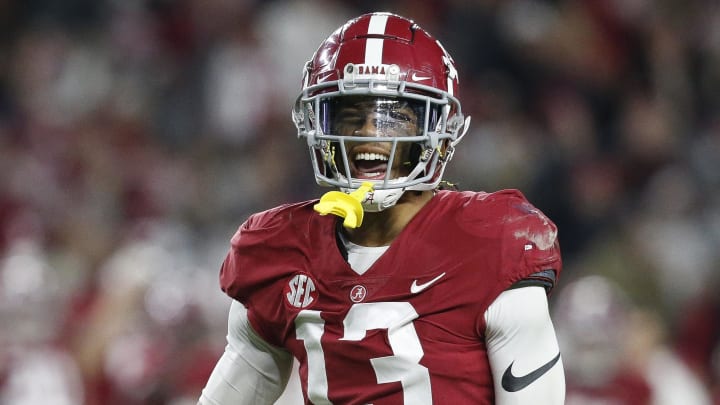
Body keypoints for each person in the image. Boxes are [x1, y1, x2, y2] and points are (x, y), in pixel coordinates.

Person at [198, 12, 565, 404]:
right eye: (349, 114)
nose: (370, 132)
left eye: (393, 116)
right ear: (316, 121)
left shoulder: (493, 240)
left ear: (439, 127)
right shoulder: (276, 250)